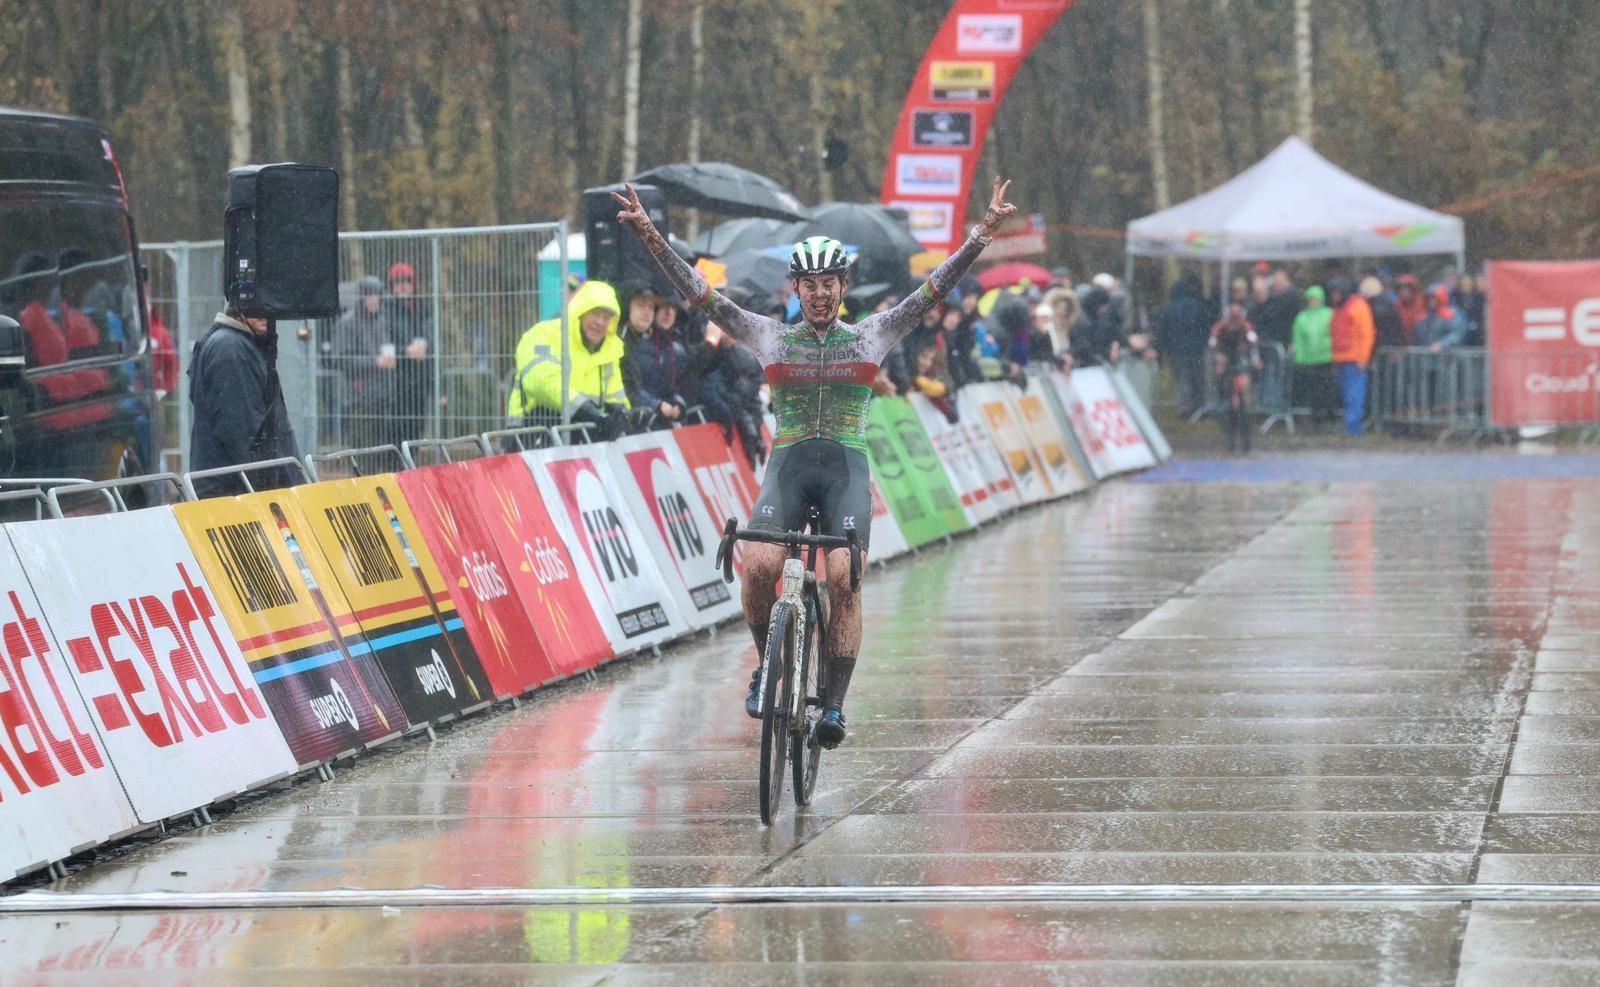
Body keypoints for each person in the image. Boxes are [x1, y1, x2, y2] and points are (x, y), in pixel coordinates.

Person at [612, 176, 1017, 750]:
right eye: (810, 284)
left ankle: (833, 704)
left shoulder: (873, 334)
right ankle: (766, 666)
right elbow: (701, 295)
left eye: (830, 284)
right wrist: (653, 236)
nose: (821, 294)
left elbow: (931, 291)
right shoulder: (769, 336)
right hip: (789, 466)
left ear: (843, 286)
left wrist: (979, 236)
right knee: (757, 566)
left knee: (842, 578)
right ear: (796, 288)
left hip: (845, 471)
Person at [188, 305, 300, 497]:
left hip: (237, 491)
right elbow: (244, 435)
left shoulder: (240, 343)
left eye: (269, 305)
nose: (265, 313)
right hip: (234, 496)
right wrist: (279, 490)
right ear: (236, 305)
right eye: (256, 303)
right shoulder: (230, 348)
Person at [507, 279, 630, 441]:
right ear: (580, 312)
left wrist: (621, 413)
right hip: (531, 435)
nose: (600, 322)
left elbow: (616, 395)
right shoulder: (543, 333)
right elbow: (541, 382)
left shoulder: (609, 351)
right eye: (595, 314)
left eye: (606, 317)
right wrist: (587, 411)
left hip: (581, 438)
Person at [335, 275, 395, 449]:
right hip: (359, 398)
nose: (376, 299)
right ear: (363, 297)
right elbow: (341, 359)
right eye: (372, 295)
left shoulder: (381, 321)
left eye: (378, 295)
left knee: (381, 450)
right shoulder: (347, 322)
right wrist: (374, 362)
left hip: (383, 395)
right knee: (362, 450)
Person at [619, 283, 690, 429]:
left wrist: (677, 402)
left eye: (651, 307)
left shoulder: (672, 348)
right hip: (632, 425)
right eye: (641, 305)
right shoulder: (620, 340)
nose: (647, 312)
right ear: (628, 308)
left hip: (653, 424)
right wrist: (655, 404)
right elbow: (629, 388)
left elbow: (671, 387)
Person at [384, 262, 435, 444]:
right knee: (396, 435)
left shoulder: (424, 309)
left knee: (416, 433)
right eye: (397, 282)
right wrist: (406, 352)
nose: (402, 286)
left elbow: (433, 343)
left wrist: (425, 349)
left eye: (406, 281)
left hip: (420, 383)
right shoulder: (387, 310)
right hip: (396, 385)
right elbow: (383, 345)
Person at [1157, 270, 1213, 417]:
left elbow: (1162, 330)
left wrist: (1162, 349)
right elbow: (1206, 327)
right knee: (1197, 380)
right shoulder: (1200, 306)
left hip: (1176, 350)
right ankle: (1199, 408)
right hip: (1196, 349)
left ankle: (1186, 408)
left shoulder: (1169, 308)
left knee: (1182, 379)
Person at [1209, 304, 1261, 452]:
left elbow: (1254, 346)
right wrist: (1219, 359)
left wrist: (1255, 360)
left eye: (1236, 320)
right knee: (1229, 403)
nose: (1234, 324)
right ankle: (1230, 437)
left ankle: (1246, 439)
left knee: (1244, 402)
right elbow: (1212, 346)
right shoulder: (1219, 328)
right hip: (1226, 364)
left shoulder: (1246, 328)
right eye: (1231, 320)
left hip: (1241, 363)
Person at [1328, 277, 1376, 436]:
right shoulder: (1339, 308)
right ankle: (1351, 426)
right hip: (1341, 358)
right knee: (1347, 396)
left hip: (1354, 360)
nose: (1334, 297)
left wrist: (1363, 358)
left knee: (1354, 396)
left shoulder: (1359, 307)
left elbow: (1366, 335)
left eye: (1336, 293)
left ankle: (1353, 428)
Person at [1290, 285, 1335, 427]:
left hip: (1326, 358)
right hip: (1309, 360)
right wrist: (1300, 357)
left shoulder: (1329, 314)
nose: (1313, 302)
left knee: (1327, 389)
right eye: (1311, 299)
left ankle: (1329, 416)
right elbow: (1298, 338)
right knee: (1313, 390)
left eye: (1316, 299)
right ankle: (1316, 419)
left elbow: (1335, 335)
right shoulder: (1302, 317)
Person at [1413, 287, 1467, 352]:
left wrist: (1442, 344)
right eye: (1429, 298)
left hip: (1447, 357)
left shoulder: (1452, 315)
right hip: (1426, 357)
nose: (1431, 301)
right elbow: (1418, 338)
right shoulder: (1423, 316)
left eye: (1434, 298)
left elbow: (1457, 334)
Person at [1394, 274, 1427, 345]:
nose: (1403, 291)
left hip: (1421, 342)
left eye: (1406, 288)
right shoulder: (1396, 305)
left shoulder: (1423, 302)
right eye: (1401, 289)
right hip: (1403, 342)